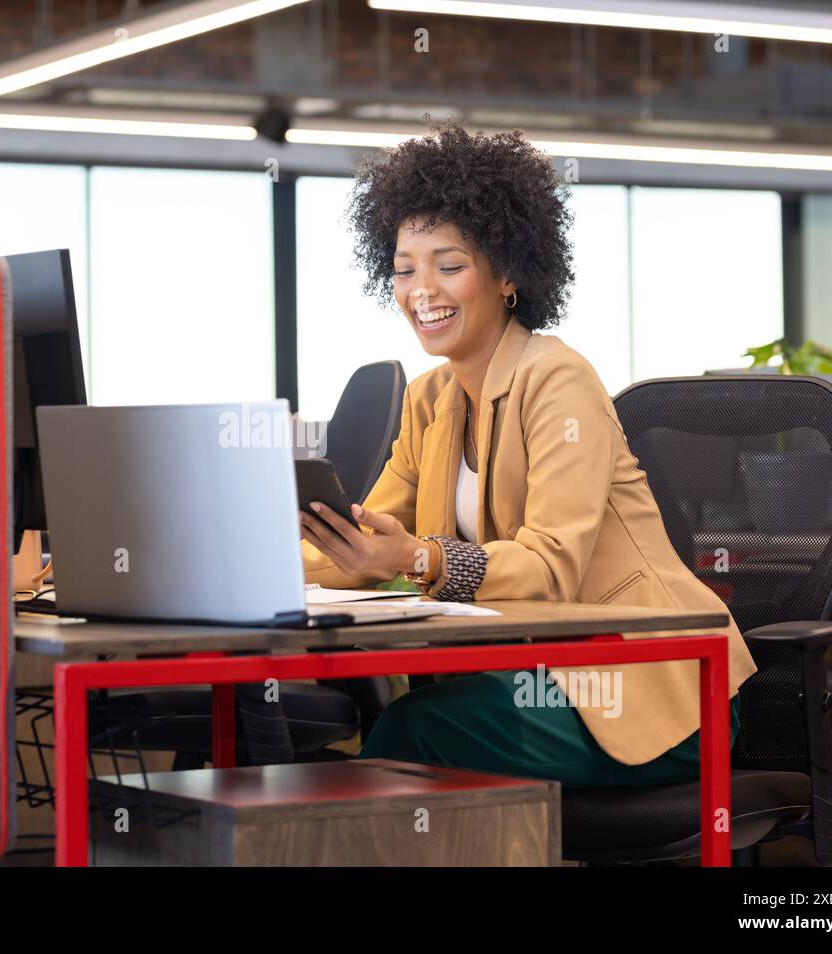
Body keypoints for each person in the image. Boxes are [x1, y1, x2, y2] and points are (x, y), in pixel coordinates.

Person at [299, 123, 756, 787]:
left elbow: (550, 567)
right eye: (404, 270)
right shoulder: (429, 401)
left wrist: (416, 556)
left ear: (507, 273)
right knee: (411, 732)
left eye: (449, 265)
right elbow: (364, 537)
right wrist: (262, 570)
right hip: (536, 681)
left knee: (409, 732)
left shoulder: (557, 379)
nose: (421, 289)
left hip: (653, 694)